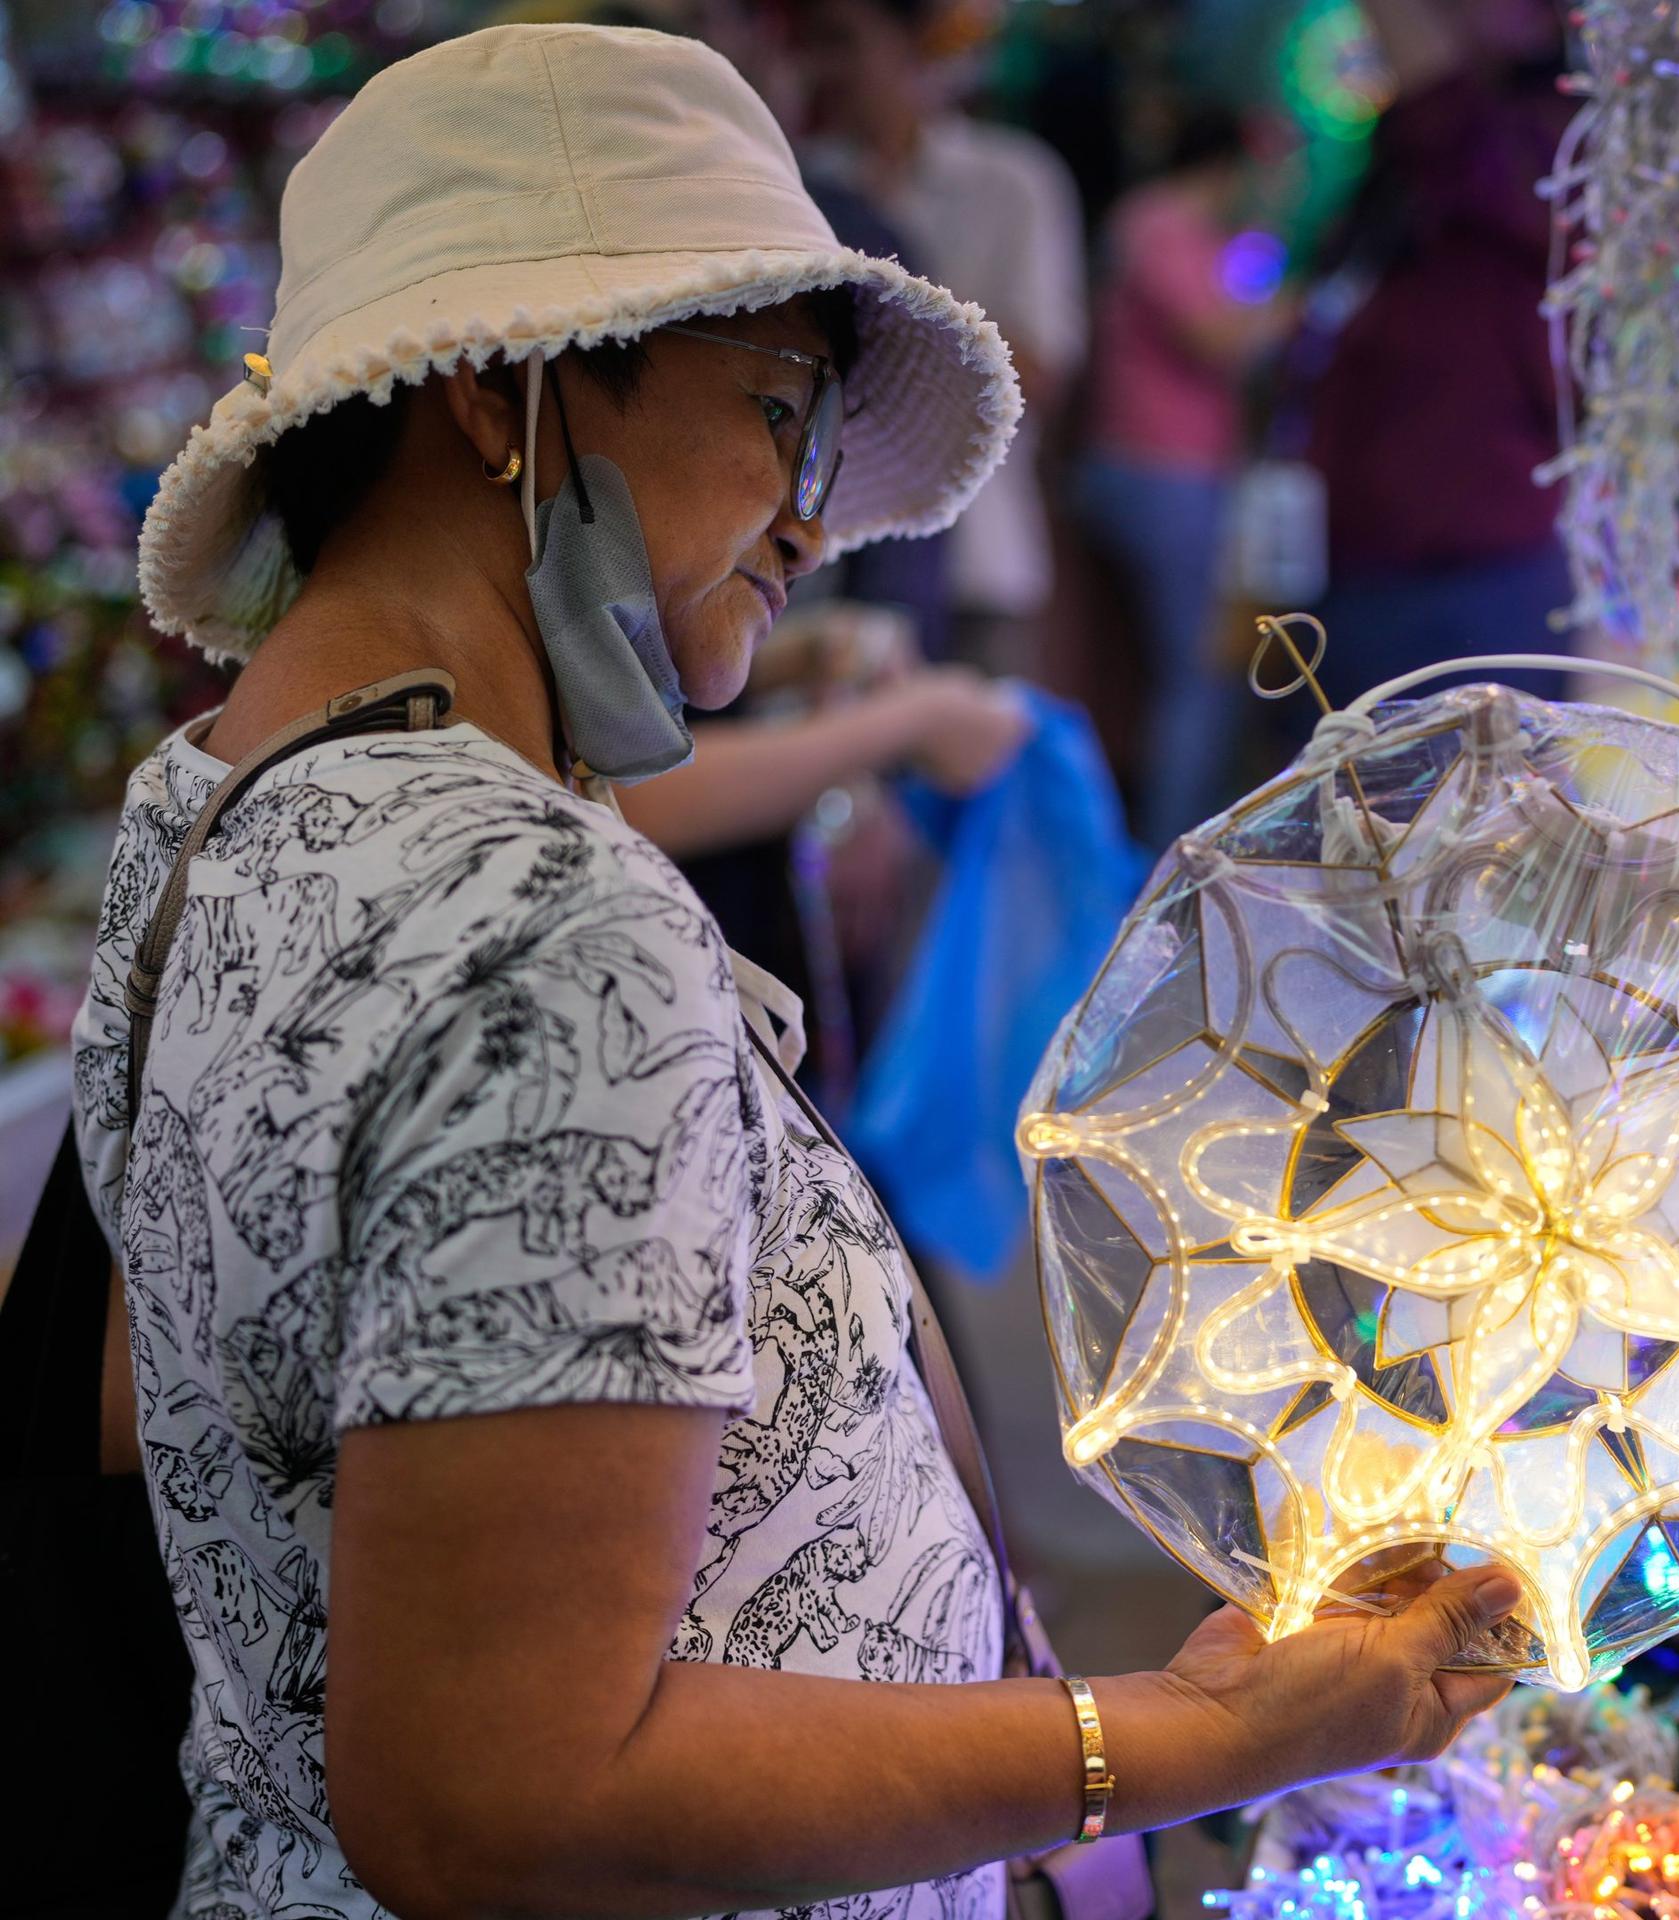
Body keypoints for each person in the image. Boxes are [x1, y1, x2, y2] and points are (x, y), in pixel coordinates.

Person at [82, 26, 1517, 1917]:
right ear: (511, 400)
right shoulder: (539, 926)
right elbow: (502, 1801)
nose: (821, 515)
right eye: (781, 413)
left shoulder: (213, 802)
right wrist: (1192, 1738)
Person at [796, 0, 1088, 677]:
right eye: (813, 45)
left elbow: (1043, 370)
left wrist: (895, 320)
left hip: (979, 558)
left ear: (916, 43)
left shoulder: (1013, 181)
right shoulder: (798, 182)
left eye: (843, 41)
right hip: (829, 568)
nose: (823, 68)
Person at [1302, 0, 1576, 711]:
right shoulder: (1404, 165)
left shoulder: (1547, 147)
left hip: (1480, 563)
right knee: (1365, 807)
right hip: (1370, 559)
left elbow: (1444, 108)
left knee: (1486, 812)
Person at [1076, 104, 1296, 840]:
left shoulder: (1199, 236)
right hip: (1160, 471)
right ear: (1229, 164)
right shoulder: (1159, 222)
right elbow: (1219, 337)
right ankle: (1178, 853)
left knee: (1188, 677)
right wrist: (1300, 310)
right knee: (1199, 679)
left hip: (1177, 473)